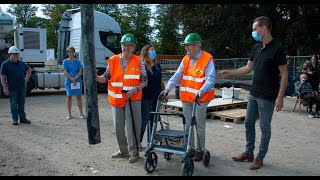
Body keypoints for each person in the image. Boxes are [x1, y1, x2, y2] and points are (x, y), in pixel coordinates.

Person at [217, 16, 288, 170]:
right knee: (248, 123)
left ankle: (259, 158)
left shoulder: (277, 49)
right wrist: (230, 72)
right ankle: (248, 153)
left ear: (264, 28)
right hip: (253, 93)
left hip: (268, 97)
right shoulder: (256, 48)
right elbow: (248, 68)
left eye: (255, 29)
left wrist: (280, 97)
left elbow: (285, 74)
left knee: (264, 128)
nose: (253, 32)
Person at [161, 33, 216, 162]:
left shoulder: (207, 58)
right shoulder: (186, 59)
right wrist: (167, 88)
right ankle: (189, 148)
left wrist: (202, 90)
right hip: (186, 98)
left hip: (200, 99)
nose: (187, 48)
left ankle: (200, 150)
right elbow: (177, 75)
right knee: (188, 124)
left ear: (197, 45)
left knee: (199, 125)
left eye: (189, 46)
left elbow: (211, 78)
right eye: (186, 46)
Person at [96, 34, 147, 163]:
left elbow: (145, 81)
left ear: (134, 47)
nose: (126, 48)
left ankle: (134, 152)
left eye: (130, 45)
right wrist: (96, 77)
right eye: (124, 45)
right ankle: (123, 150)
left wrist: (134, 90)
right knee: (118, 127)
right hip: (117, 100)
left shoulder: (139, 61)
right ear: (121, 46)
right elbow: (105, 77)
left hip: (133, 99)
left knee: (133, 126)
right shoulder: (112, 60)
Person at [139, 44, 165, 150]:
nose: (154, 52)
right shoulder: (142, 66)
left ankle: (150, 140)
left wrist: (164, 92)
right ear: (146, 52)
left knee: (153, 120)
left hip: (156, 97)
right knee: (144, 120)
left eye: (154, 50)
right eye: (152, 50)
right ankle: (138, 141)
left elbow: (160, 80)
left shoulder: (157, 65)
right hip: (145, 97)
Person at [0, 46, 32, 125]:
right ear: (10, 54)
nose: (17, 56)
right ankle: (15, 119)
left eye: (17, 54)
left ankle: (22, 118)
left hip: (22, 87)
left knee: (21, 103)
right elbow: (2, 76)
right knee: (13, 103)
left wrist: (26, 80)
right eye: (15, 54)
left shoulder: (21, 63)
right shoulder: (5, 64)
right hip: (12, 87)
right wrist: (4, 88)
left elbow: (29, 69)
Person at [62, 46, 85, 120]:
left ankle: (81, 113)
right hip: (69, 80)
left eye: (72, 51)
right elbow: (65, 72)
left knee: (79, 97)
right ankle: (69, 114)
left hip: (77, 80)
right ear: (67, 53)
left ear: (74, 52)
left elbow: (80, 71)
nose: (71, 53)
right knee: (69, 97)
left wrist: (75, 78)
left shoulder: (78, 61)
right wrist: (71, 78)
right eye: (69, 51)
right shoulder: (65, 61)